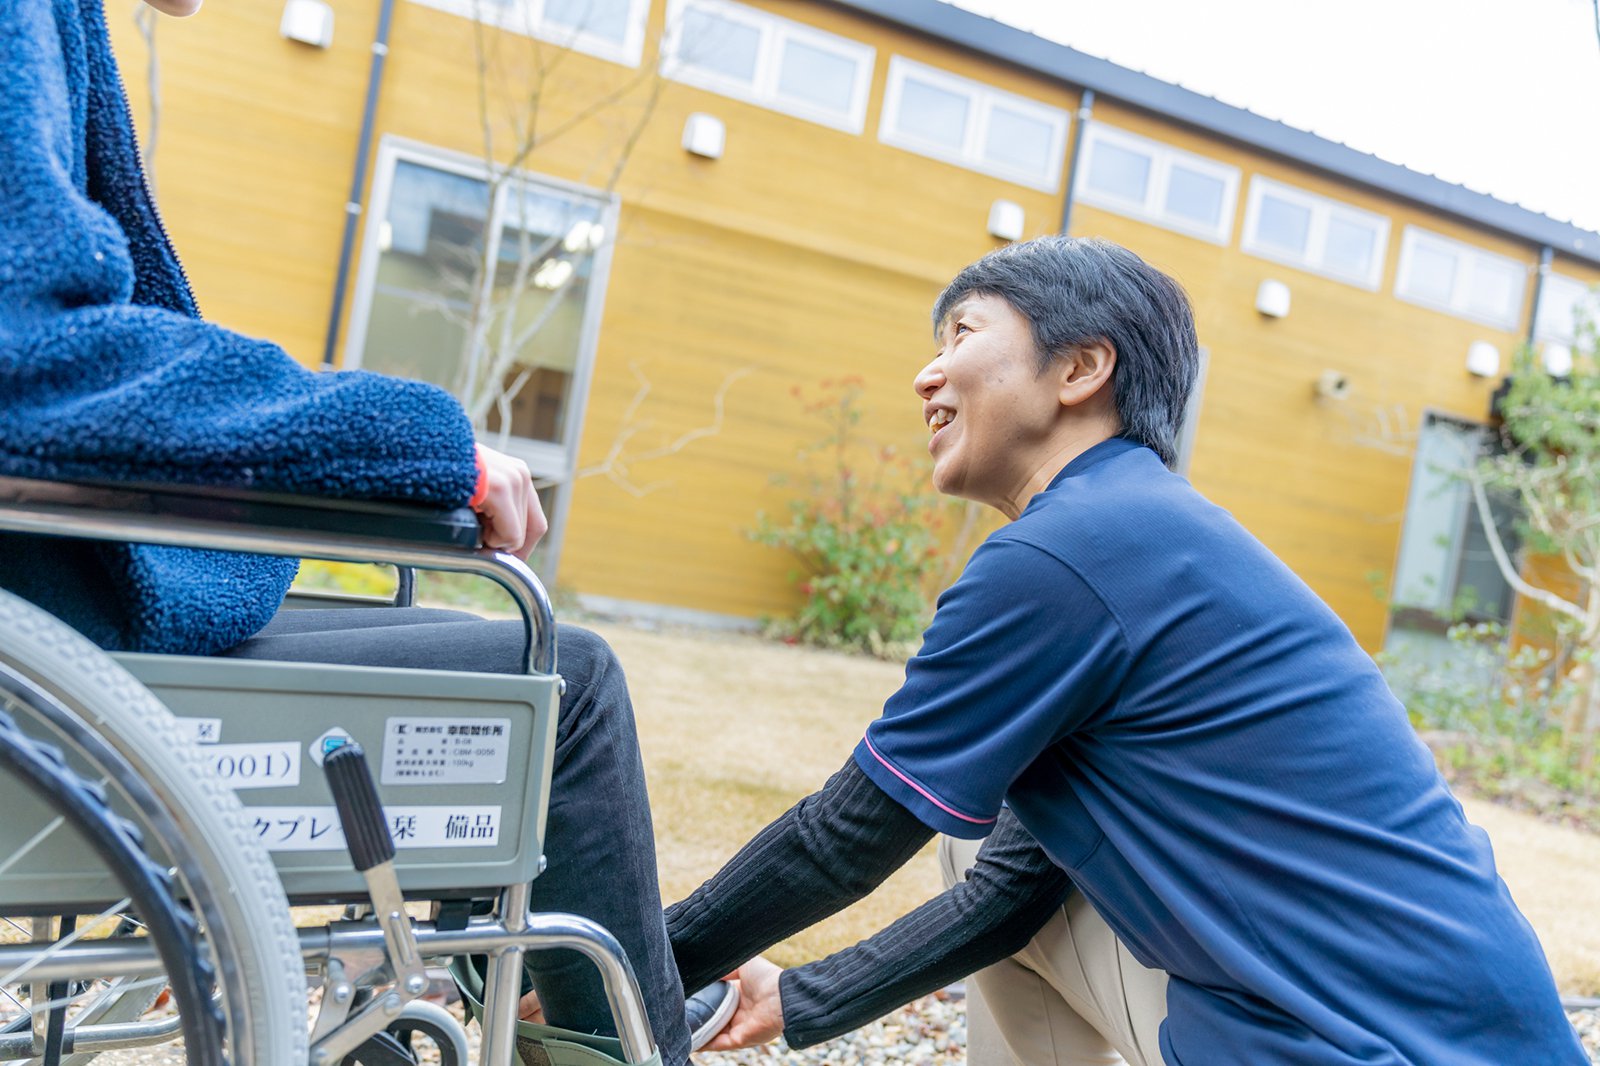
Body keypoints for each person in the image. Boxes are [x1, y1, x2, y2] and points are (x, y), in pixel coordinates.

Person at [0, 0, 731, 1062]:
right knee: (564, 684)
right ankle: (609, 1030)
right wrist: (421, 441)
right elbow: (35, 354)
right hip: (56, 663)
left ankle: (580, 1002)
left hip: (58, 611)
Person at [662, 236, 1588, 1065]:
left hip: (1363, 1039)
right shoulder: (1137, 532)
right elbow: (1018, 891)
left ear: (1081, 368)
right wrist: (801, 1000)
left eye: (961, 335)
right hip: (1443, 1025)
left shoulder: (1070, 554)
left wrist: (623, 966)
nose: (926, 376)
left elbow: (848, 836)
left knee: (949, 840)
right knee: (975, 852)